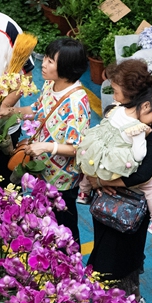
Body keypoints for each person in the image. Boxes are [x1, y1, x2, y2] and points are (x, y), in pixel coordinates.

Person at [84, 61, 152, 296]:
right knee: (103, 249)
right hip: (106, 198)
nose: (113, 93)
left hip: (130, 205)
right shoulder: (118, 111)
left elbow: (143, 175)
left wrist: (101, 181)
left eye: (116, 89)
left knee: (120, 261)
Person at [11, 38, 90, 244]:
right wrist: (12, 113)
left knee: (64, 229)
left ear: (66, 68)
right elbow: (37, 110)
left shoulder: (76, 102)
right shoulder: (49, 84)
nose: (43, 64)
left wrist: (46, 146)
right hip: (42, 169)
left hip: (61, 179)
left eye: (50, 61)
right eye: (45, 58)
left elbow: (78, 148)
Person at [76, 87, 152, 184]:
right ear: (146, 106)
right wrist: (144, 136)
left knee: (88, 171)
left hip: (94, 155)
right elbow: (139, 156)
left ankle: (83, 192)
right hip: (110, 168)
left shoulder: (117, 109)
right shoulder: (138, 129)